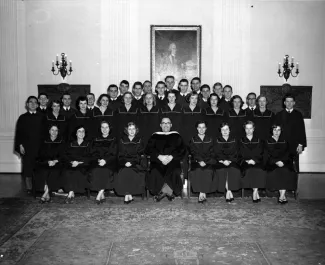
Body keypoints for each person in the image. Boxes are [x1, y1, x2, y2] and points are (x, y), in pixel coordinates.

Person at [146, 117, 186, 201]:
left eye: (168, 123)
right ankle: (168, 192)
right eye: (163, 123)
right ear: (160, 125)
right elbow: (149, 149)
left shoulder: (176, 135)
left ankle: (163, 192)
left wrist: (171, 156)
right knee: (155, 171)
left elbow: (182, 149)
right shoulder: (155, 136)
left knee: (174, 171)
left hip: (173, 161)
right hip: (158, 161)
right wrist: (159, 156)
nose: (166, 125)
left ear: (171, 125)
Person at [14, 96, 45, 192]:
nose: (32, 104)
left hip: (40, 147)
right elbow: (19, 133)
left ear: (37, 104)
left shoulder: (42, 117)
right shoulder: (22, 118)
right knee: (28, 167)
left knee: (40, 167)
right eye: (30, 102)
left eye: (35, 102)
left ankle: (39, 187)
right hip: (27, 147)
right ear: (27, 104)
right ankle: (29, 188)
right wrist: (20, 145)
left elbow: (45, 133)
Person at [115, 122, 146, 203]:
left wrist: (131, 162)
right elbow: (120, 154)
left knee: (130, 171)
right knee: (123, 171)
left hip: (136, 163)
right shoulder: (122, 140)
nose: (132, 131)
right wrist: (125, 162)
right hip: (124, 163)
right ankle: (129, 195)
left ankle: (127, 196)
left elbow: (140, 155)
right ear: (126, 130)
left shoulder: (139, 140)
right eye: (130, 129)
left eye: (133, 129)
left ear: (136, 130)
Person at [275, 92, 307, 172]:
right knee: (282, 166)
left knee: (294, 167)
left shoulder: (298, 115)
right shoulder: (279, 115)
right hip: (282, 145)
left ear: (294, 103)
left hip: (294, 145)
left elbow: (301, 130)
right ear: (284, 102)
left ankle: (294, 183)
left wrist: (300, 145)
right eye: (287, 101)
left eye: (291, 101)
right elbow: (275, 131)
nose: (289, 103)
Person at [265, 124, 297, 204]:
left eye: (278, 130)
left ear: (281, 131)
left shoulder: (285, 141)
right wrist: (276, 161)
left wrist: (282, 162)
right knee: (277, 172)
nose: (276, 132)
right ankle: (283, 196)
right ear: (271, 131)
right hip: (272, 163)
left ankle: (281, 196)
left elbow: (288, 154)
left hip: (284, 163)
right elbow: (266, 155)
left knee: (286, 171)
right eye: (275, 130)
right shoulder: (267, 141)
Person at [34, 125, 65, 203]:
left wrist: (55, 161)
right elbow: (40, 155)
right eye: (52, 130)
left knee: (54, 171)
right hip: (46, 162)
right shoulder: (44, 141)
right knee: (43, 171)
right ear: (49, 131)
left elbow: (63, 155)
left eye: (56, 130)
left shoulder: (61, 141)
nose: (54, 132)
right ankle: (47, 194)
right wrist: (48, 161)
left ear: (58, 132)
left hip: (57, 163)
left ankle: (45, 194)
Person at [89, 121, 117, 204]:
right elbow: (93, 152)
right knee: (96, 171)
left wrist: (105, 160)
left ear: (109, 128)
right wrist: (98, 160)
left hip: (110, 162)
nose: (105, 129)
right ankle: (102, 195)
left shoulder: (113, 139)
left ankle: (99, 194)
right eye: (103, 127)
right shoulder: (96, 139)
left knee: (105, 171)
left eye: (106, 127)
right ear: (100, 129)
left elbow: (114, 153)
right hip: (98, 161)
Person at [188, 121, 216, 203]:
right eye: (199, 127)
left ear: (206, 129)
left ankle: (203, 193)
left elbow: (212, 152)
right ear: (197, 128)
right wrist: (200, 161)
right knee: (198, 171)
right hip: (197, 161)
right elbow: (192, 152)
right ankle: (201, 193)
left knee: (207, 171)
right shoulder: (193, 139)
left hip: (208, 161)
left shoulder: (210, 139)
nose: (201, 129)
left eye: (203, 127)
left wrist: (205, 161)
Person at [62, 126, 90, 203]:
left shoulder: (88, 144)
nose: (81, 133)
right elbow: (65, 155)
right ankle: (71, 192)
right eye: (79, 131)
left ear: (85, 133)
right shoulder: (70, 144)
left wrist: (79, 163)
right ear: (76, 133)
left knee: (78, 172)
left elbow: (90, 157)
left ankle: (71, 194)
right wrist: (71, 162)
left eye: (83, 131)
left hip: (83, 165)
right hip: (72, 164)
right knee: (67, 172)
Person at [240, 121, 267, 203]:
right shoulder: (240, 141)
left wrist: (255, 160)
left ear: (253, 129)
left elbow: (261, 153)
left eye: (250, 128)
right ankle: (255, 192)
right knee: (250, 171)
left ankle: (255, 192)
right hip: (245, 162)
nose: (248, 130)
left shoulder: (259, 141)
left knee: (258, 170)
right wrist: (247, 160)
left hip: (257, 162)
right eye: (247, 128)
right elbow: (239, 154)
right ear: (244, 129)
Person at [214, 123, 242, 202]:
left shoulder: (234, 140)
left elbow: (236, 152)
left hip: (232, 161)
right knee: (222, 171)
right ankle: (229, 191)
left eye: (226, 129)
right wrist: (223, 161)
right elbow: (216, 153)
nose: (225, 131)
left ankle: (228, 191)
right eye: (223, 129)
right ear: (220, 131)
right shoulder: (217, 140)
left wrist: (229, 160)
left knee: (233, 170)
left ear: (229, 130)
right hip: (220, 162)